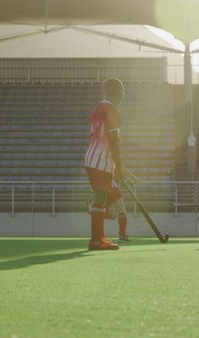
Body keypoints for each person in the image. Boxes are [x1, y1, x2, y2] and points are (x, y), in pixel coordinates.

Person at [84, 78, 127, 250]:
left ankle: (98, 238)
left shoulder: (98, 108)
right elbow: (113, 140)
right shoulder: (113, 110)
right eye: (122, 91)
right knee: (100, 198)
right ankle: (96, 240)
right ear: (116, 92)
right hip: (102, 160)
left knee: (100, 199)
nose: (124, 95)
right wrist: (119, 167)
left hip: (91, 158)